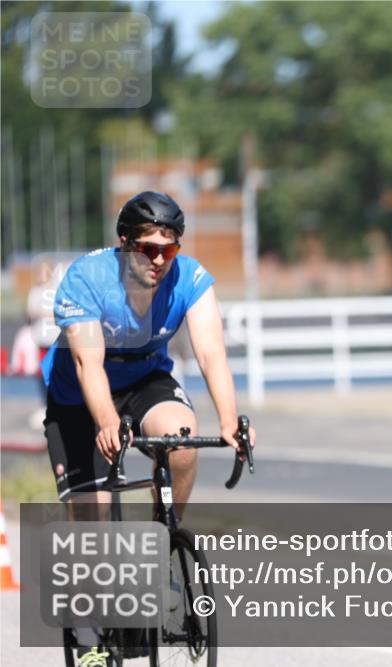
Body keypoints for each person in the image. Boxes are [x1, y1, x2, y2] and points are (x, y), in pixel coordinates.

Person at [41, 191, 255, 666]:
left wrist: (228, 421)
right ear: (125, 245)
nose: (159, 259)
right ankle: (89, 636)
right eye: (148, 249)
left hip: (144, 378)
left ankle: (165, 539)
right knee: (92, 520)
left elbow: (211, 351)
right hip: (80, 394)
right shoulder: (87, 278)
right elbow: (86, 362)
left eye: (169, 249)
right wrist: (107, 423)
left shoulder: (191, 278)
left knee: (181, 440)